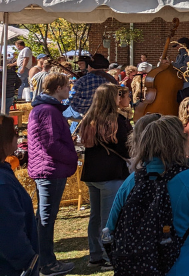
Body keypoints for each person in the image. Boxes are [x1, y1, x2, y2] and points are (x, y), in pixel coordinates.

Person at [106, 116, 189, 276]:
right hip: (186, 266)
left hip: (138, 268)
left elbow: (111, 227)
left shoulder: (132, 180)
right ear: (178, 143)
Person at [25, 73, 77, 276]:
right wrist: (72, 157)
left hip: (47, 167)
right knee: (46, 218)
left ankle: (43, 259)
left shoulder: (44, 109)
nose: (69, 89)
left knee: (44, 217)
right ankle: (46, 263)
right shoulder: (48, 110)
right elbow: (51, 143)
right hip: (50, 169)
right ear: (57, 88)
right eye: (67, 86)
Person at [78, 83, 131, 270]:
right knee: (109, 219)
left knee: (95, 217)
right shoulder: (115, 120)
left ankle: (95, 256)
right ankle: (109, 257)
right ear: (111, 98)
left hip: (92, 172)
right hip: (110, 174)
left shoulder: (88, 118)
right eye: (117, 95)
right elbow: (126, 147)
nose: (119, 98)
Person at [0, 114, 40, 276]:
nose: (17, 139)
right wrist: (29, 262)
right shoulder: (2, 184)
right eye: (14, 135)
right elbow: (9, 233)